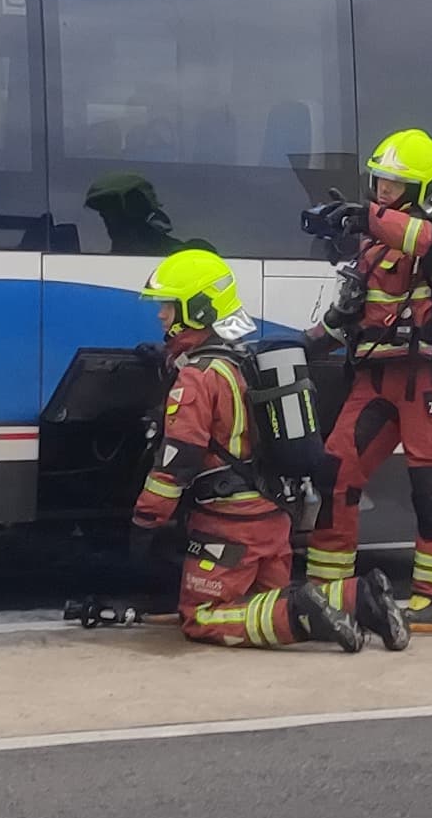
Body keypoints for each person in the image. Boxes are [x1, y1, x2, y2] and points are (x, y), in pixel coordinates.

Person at [131, 249, 388, 652]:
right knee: (261, 604)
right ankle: (361, 598)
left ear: (197, 309)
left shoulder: (197, 379)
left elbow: (178, 460)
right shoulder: (244, 360)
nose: (162, 315)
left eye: (168, 305)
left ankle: (304, 615)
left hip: (229, 526)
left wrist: (145, 522)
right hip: (273, 516)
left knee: (202, 617)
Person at [302, 129, 432, 619]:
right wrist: (307, 342)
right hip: (374, 379)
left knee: (431, 487)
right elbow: (353, 311)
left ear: (422, 189)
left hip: (427, 382)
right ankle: (327, 592)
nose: (384, 191)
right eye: (380, 181)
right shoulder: (373, 247)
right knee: (335, 474)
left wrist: (368, 217)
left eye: (395, 184)